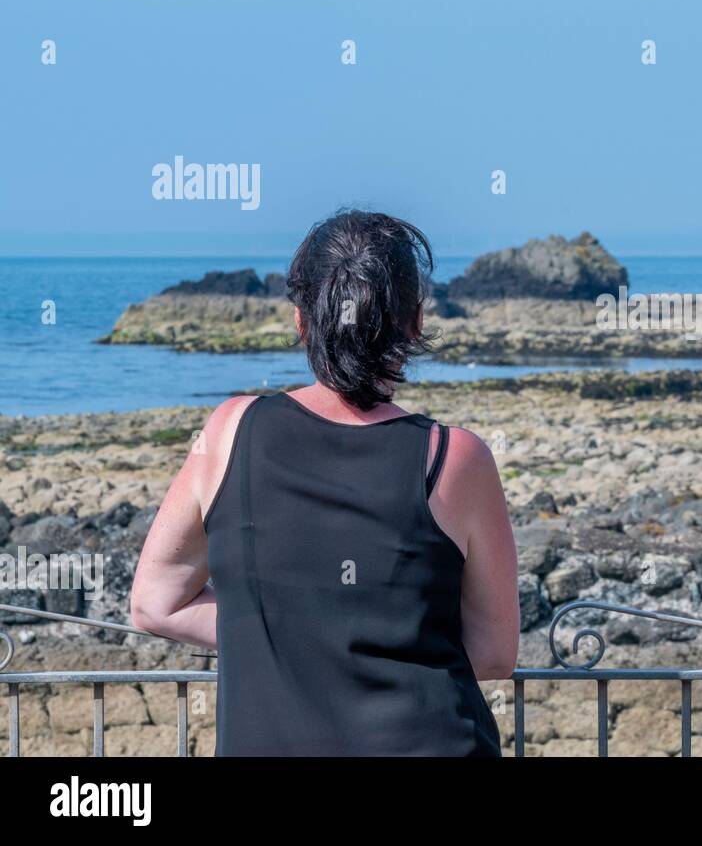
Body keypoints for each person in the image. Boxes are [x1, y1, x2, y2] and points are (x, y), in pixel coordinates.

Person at [130, 209, 518, 755]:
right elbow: (495, 652)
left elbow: (155, 603)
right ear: (415, 321)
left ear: (301, 320)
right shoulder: (455, 458)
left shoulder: (229, 431)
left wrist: (283, 634)